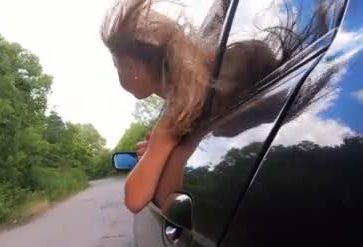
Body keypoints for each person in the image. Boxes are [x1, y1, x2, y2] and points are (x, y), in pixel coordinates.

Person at [101, 0, 280, 213]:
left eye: (115, 64)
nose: (117, 72)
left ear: (132, 66)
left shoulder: (175, 115)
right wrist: (155, 153)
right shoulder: (201, 87)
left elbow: (135, 199)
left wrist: (159, 144)